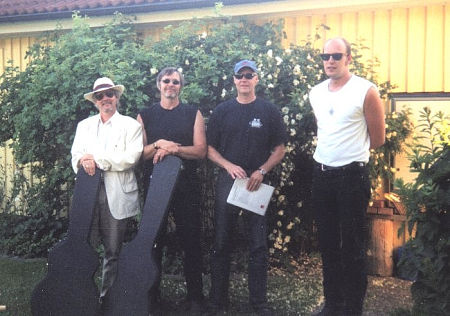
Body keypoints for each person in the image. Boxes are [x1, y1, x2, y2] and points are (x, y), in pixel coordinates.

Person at [309, 37, 385, 316]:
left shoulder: (366, 91)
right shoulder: (315, 92)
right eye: (325, 56)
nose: (330, 61)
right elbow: (325, 130)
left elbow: (377, 139)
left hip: (352, 177)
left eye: (336, 56)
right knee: (327, 243)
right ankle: (333, 303)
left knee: (352, 246)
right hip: (322, 174)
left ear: (348, 59)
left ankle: (353, 308)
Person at [206, 60, 287, 316]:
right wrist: (228, 165)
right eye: (239, 75)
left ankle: (259, 304)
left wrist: (262, 171)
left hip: (256, 183)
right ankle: (218, 302)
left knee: (258, 245)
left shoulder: (269, 111)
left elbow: (280, 149)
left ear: (256, 79)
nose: (244, 79)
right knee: (221, 242)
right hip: (230, 182)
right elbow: (209, 149)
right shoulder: (222, 111)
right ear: (233, 80)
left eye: (248, 75)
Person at [137, 67, 207, 314]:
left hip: (186, 187)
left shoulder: (192, 113)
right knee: (153, 241)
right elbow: (139, 154)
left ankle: (196, 299)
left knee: (191, 241)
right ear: (158, 85)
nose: (170, 85)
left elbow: (200, 151)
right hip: (155, 187)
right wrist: (158, 145)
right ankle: (151, 297)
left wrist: (173, 150)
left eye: (175, 82)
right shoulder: (144, 115)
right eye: (166, 81)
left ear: (181, 86)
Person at [71, 77, 143, 303]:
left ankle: (106, 298)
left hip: (116, 195)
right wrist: (84, 159)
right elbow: (76, 156)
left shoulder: (131, 125)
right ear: (94, 101)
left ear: (117, 97)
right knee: (85, 247)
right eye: (100, 96)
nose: (105, 99)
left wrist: (96, 159)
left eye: (109, 94)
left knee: (113, 251)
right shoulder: (84, 126)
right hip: (88, 195)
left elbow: (129, 158)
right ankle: (83, 296)